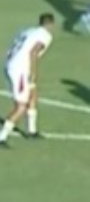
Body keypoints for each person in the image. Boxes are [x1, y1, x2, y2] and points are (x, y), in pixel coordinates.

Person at [1, 13, 56, 145]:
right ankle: (2, 136)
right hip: (19, 70)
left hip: (11, 64)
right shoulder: (45, 35)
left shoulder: (28, 30)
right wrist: (33, 73)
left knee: (32, 95)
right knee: (21, 106)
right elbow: (33, 52)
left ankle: (32, 131)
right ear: (51, 24)